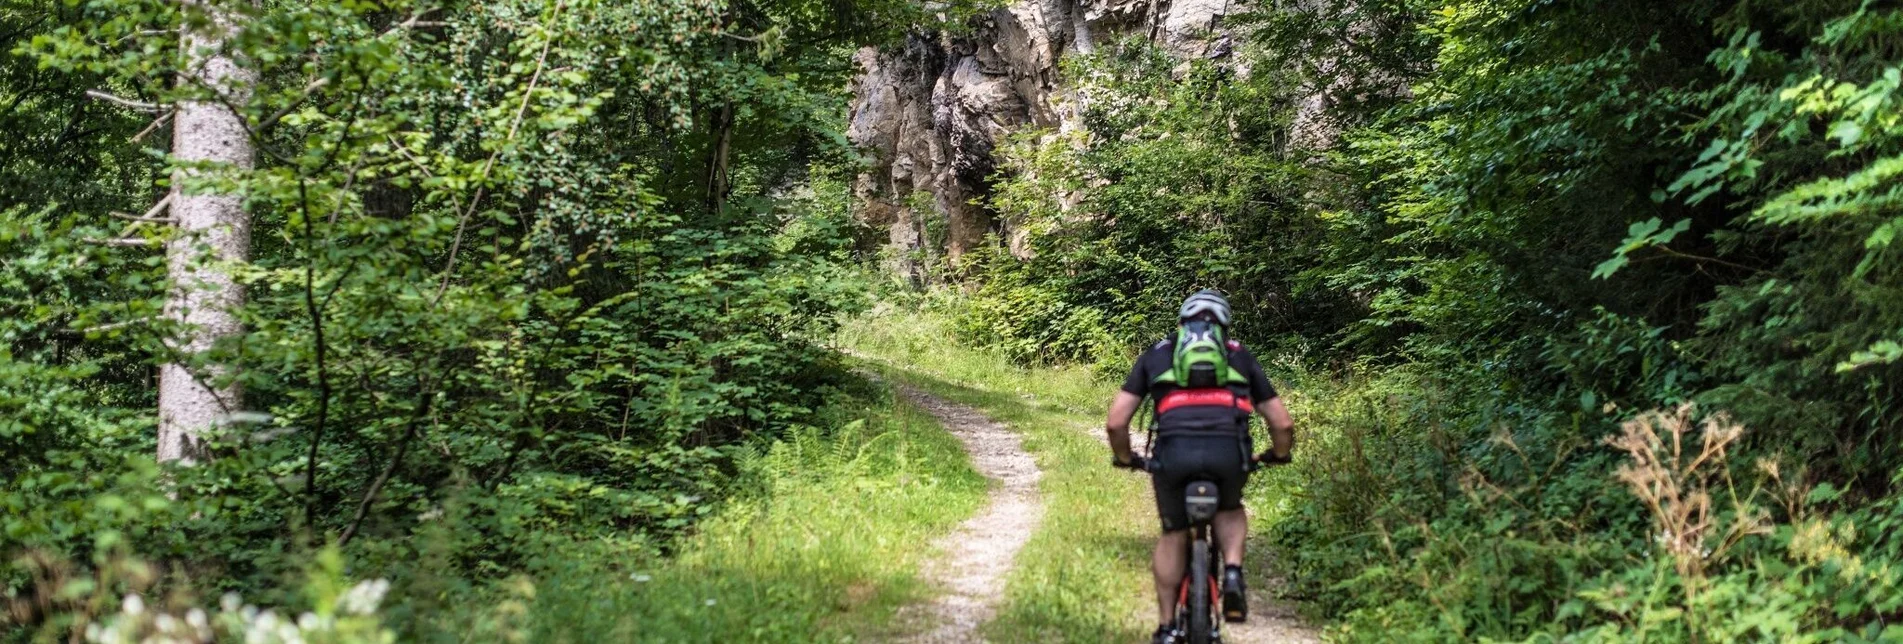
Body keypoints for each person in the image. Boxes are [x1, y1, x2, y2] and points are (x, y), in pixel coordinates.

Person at [1106, 289, 1295, 644]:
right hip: (1229, 454)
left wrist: (1126, 458)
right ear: (1224, 323)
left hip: (1173, 457)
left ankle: (1165, 628)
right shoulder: (1238, 355)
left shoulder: (1158, 353)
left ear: (1182, 321)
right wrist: (1278, 454)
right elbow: (1281, 424)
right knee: (1230, 508)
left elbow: (1117, 422)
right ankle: (1234, 574)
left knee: (1173, 533)